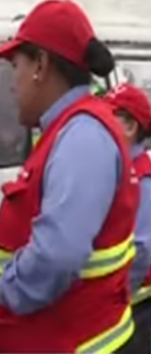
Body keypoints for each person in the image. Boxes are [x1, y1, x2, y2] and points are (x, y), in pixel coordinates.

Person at [0, 0, 137, 353]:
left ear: (40, 64)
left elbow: (57, 256)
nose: (11, 84)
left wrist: (5, 287)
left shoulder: (82, 137)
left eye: (14, 66)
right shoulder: (69, 130)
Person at [103, 83, 151, 353]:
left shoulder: (143, 179)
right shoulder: (120, 171)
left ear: (131, 127)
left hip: (138, 306)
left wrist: (116, 300)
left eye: (109, 118)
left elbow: (142, 249)